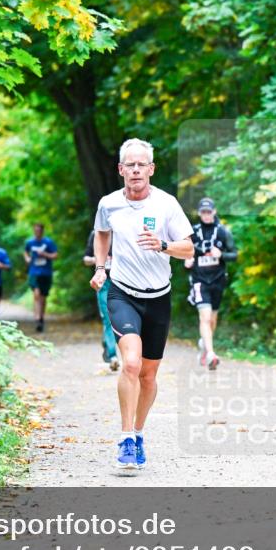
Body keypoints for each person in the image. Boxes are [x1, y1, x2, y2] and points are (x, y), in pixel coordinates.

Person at [90, 138, 194, 472]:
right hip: (122, 292)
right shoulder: (108, 204)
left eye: (141, 164)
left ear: (151, 169)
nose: (136, 170)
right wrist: (100, 268)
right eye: (129, 165)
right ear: (121, 170)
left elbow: (188, 249)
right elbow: (102, 233)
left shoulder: (166, 204)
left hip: (158, 297)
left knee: (148, 375)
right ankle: (124, 441)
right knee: (131, 364)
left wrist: (163, 245)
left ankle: (138, 433)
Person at [184, 197, 238, 370]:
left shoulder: (223, 231)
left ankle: (205, 346)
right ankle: (211, 354)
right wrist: (187, 260)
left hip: (218, 280)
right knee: (205, 317)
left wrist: (220, 254)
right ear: (199, 213)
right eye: (203, 212)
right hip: (199, 280)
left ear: (214, 212)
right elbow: (184, 251)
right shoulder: (192, 232)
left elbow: (235, 255)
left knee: (212, 320)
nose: (206, 215)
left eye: (209, 212)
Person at [84, 228, 120, 371]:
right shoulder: (95, 234)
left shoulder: (122, 232)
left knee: (119, 318)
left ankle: (107, 342)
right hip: (103, 282)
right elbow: (86, 259)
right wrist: (98, 259)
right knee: (108, 318)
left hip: (122, 281)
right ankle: (113, 356)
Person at [24, 223, 58, 332]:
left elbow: (55, 255)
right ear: (34, 231)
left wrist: (45, 255)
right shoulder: (29, 242)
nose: (37, 232)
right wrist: (27, 259)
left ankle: (41, 318)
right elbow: (25, 252)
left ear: (42, 231)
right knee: (36, 294)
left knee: (43, 298)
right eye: (35, 230)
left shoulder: (48, 242)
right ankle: (37, 318)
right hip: (34, 272)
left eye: (39, 230)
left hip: (46, 273)